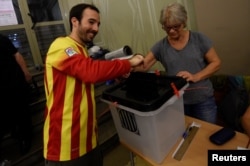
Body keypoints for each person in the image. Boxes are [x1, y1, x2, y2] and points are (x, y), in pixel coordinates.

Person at [43, 3, 143, 166]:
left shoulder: (81, 50)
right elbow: (89, 72)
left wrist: (116, 74)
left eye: (98, 24)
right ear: (74, 21)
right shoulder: (61, 46)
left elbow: (85, 77)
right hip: (65, 144)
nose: (96, 28)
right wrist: (128, 63)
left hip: (88, 139)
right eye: (91, 22)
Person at [134, 2, 221, 124]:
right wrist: (126, 66)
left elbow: (216, 63)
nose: (171, 31)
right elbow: (143, 66)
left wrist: (195, 76)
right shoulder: (161, 46)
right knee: (183, 136)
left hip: (203, 100)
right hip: (178, 102)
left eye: (176, 26)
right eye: (167, 27)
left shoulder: (199, 38)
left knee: (205, 136)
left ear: (184, 21)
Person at [0, 34, 33, 163]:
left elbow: (17, 55)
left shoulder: (1, 39)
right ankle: (16, 132)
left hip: (14, 81)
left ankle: (26, 138)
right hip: (2, 88)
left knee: (22, 111)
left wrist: (26, 72)